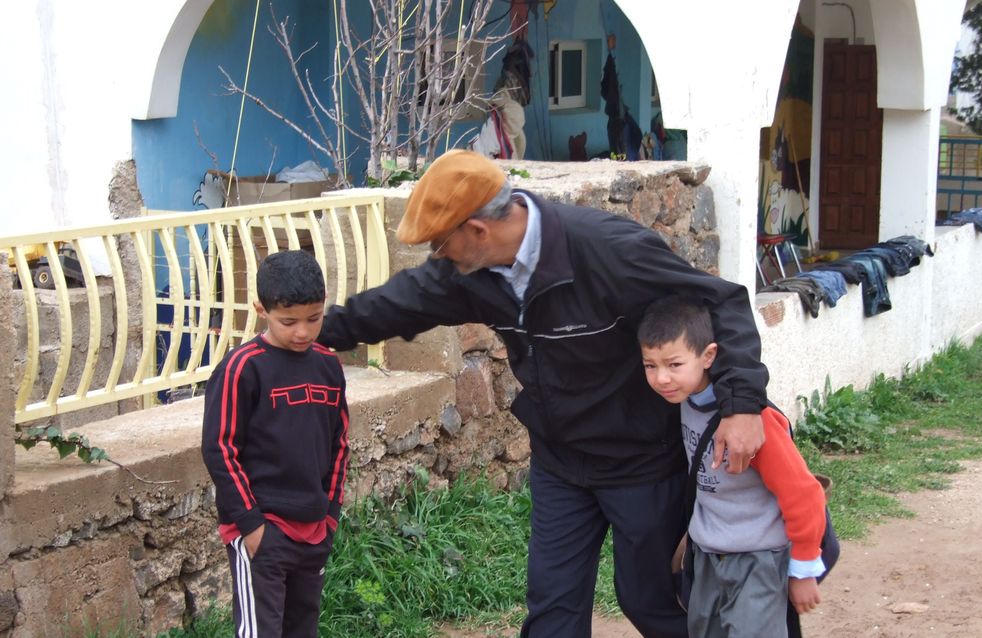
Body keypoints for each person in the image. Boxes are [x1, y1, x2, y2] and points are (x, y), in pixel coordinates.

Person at [317, 149, 768, 637]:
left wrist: (741, 405)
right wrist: (309, 332)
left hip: (640, 461)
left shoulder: (608, 249)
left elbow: (722, 302)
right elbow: (395, 305)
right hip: (561, 463)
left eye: (441, 243)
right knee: (552, 611)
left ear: (477, 230)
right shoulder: (471, 272)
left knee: (652, 601)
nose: (437, 256)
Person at [638, 296, 827, 637]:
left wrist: (802, 571)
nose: (661, 378)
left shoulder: (751, 421)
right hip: (709, 557)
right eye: (650, 365)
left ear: (708, 356)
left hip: (758, 559)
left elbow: (804, 494)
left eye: (674, 364)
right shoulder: (685, 402)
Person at [202, 250, 350, 638]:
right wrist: (251, 526)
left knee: (303, 630)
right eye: (289, 321)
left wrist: (330, 514)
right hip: (262, 530)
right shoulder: (241, 368)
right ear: (261, 309)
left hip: (314, 529)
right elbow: (220, 448)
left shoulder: (329, 367)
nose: (302, 331)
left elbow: (340, 445)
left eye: (313, 318)